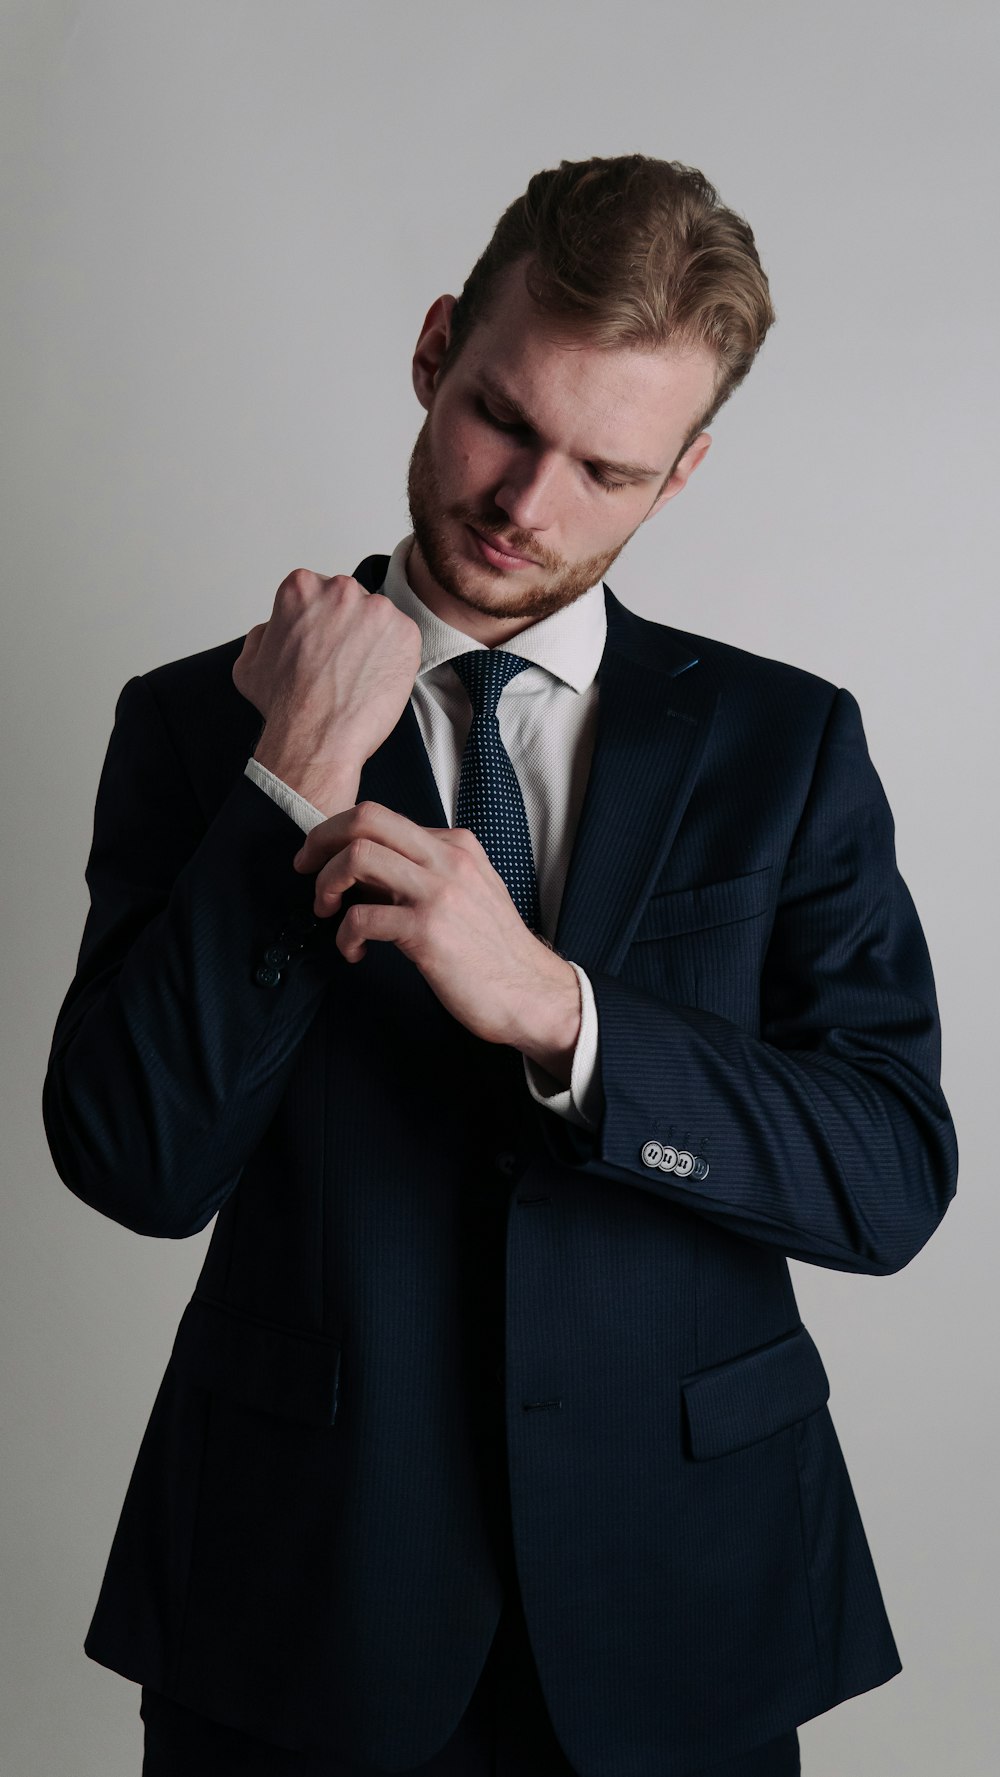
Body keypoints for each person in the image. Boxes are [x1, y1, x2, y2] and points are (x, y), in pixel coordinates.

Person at [42, 154, 957, 1777]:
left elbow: (889, 1175)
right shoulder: (199, 724)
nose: (527, 504)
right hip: (297, 1612)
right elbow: (132, 1162)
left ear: (678, 477)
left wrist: (563, 1010)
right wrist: (296, 769)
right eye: (502, 420)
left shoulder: (788, 747)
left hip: (689, 1605)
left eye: (605, 467)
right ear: (435, 344)